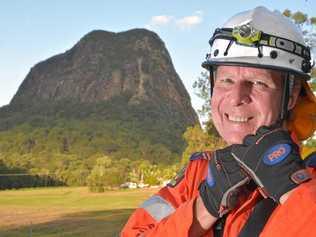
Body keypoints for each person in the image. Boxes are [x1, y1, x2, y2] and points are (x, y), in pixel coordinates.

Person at [121, 6, 316, 237]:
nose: (236, 98)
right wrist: (205, 206)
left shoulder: (310, 178)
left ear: (291, 97)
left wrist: (293, 192)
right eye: (226, 80)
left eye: (258, 83)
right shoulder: (200, 173)